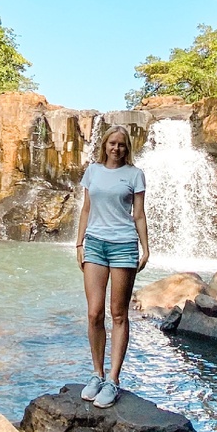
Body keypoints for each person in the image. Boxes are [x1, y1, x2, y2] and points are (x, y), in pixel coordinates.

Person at [76, 124, 149, 408]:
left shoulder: (135, 175)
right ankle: (97, 373)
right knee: (94, 313)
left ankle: (113, 380)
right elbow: (86, 209)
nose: (116, 148)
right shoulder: (92, 171)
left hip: (123, 246)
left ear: (127, 148)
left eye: (121, 144)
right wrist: (79, 244)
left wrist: (146, 247)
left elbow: (139, 214)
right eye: (112, 143)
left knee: (118, 315)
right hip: (94, 244)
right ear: (104, 145)